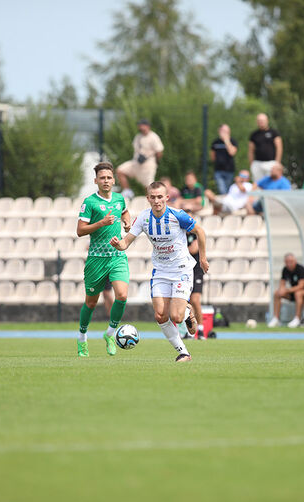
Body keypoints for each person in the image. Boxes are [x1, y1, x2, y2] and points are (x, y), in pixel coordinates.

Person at [110, 181, 209, 362]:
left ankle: (187, 312)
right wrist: (119, 244)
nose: (156, 201)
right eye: (153, 197)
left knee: (176, 317)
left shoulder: (177, 215)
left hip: (181, 269)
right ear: (148, 198)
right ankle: (183, 352)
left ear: (166, 198)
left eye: (160, 197)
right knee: (160, 315)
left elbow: (200, 232)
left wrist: (202, 258)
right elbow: (126, 242)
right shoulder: (143, 218)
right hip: (160, 271)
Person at [76, 162, 132, 357]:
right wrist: (100, 223)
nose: (106, 181)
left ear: (113, 180)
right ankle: (82, 338)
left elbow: (124, 211)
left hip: (117, 256)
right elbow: (80, 230)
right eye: (102, 178)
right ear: (96, 181)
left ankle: (110, 334)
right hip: (96, 259)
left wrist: (126, 222)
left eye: (109, 177)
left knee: (122, 296)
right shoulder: (90, 202)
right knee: (91, 303)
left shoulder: (119, 199)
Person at [116, 119, 164, 200]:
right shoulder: (138, 136)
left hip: (148, 164)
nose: (140, 127)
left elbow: (159, 152)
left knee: (148, 187)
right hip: (136, 162)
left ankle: (151, 203)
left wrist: (156, 162)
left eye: (142, 125)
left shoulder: (153, 137)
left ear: (147, 126)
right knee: (120, 171)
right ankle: (127, 192)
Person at [267, 253, 304, 328]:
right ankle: (276, 319)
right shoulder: (285, 270)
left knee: (298, 293)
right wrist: (281, 290)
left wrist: (287, 290)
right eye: (287, 262)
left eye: (291, 261)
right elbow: (282, 283)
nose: (289, 264)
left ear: (295, 261)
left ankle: (297, 318)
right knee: (277, 293)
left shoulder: (300, 269)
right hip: (292, 292)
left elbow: (301, 286)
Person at [248, 113, 282, 182]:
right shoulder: (254, 134)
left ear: (267, 121)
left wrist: (277, 162)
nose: (261, 122)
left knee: (271, 185)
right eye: (259, 121)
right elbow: (251, 150)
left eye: (262, 120)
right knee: (258, 185)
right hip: (257, 163)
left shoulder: (274, 133)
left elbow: (279, 148)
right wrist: (251, 164)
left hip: (271, 163)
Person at [185, 231, 206, 339]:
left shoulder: (195, 234)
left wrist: (178, 250)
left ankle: (201, 329)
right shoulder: (181, 233)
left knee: (195, 300)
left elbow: (193, 249)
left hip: (196, 272)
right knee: (186, 302)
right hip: (184, 271)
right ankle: (190, 330)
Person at [210, 124, 238, 194]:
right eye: (224, 131)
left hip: (229, 170)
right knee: (222, 189)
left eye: (227, 131)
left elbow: (232, 152)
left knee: (228, 189)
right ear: (219, 131)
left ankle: (227, 204)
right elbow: (212, 156)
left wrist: (226, 141)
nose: (226, 133)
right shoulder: (215, 142)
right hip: (218, 170)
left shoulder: (232, 141)